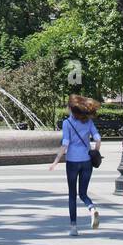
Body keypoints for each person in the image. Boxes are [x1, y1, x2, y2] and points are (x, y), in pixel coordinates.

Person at [49, 95, 102, 236]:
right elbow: (98, 138)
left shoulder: (67, 123)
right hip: (86, 162)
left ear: (72, 110)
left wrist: (56, 160)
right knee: (83, 193)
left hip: (72, 161)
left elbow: (65, 143)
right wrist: (95, 151)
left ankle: (73, 227)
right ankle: (91, 208)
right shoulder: (89, 122)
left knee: (72, 194)